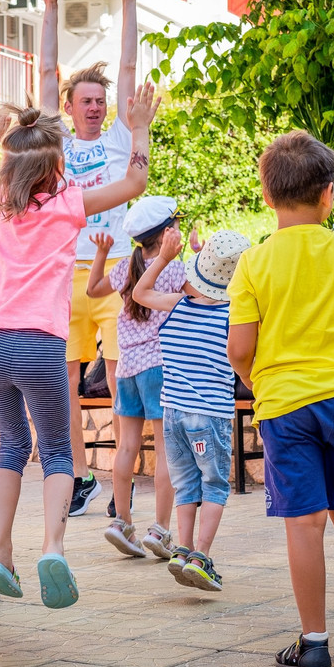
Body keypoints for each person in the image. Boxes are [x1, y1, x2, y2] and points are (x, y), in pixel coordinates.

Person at [0, 85, 158, 609]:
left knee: (10, 446)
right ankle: (52, 547)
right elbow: (135, 180)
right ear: (55, 166)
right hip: (39, 342)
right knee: (53, 454)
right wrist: (137, 125)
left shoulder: (1, 206)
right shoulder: (68, 203)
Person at [226, 132, 334, 667]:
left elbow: (240, 350)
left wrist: (262, 379)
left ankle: (313, 643)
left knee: (305, 524)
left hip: (285, 405)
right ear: (329, 195)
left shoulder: (253, 263)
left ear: (267, 197)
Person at [38, 0, 142, 516]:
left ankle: (121, 482)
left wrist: (128, 0)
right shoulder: (57, 141)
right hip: (67, 273)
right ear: (71, 108)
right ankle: (80, 479)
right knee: (68, 384)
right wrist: (49, 8)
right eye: (88, 100)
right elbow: (47, 73)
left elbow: (128, 66)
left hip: (119, 269)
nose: (97, 106)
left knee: (124, 379)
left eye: (101, 100)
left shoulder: (123, 136)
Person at [133, 227, 249, 593]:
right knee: (214, 485)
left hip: (173, 416)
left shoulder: (177, 304)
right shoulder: (233, 315)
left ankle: (181, 551)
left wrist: (164, 257)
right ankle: (201, 557)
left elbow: (140, 293)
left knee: (186, 485)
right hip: (209, 415)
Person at [86, 196, 186, 558]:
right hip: (159, 367)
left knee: (125, 447)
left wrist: (101, 253)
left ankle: (121, 522)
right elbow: (203, 296)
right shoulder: (174, 268)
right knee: (165, 450)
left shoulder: (128, 266)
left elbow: (93, 290)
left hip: (127, 367)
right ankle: (159, 530)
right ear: (166, 233)